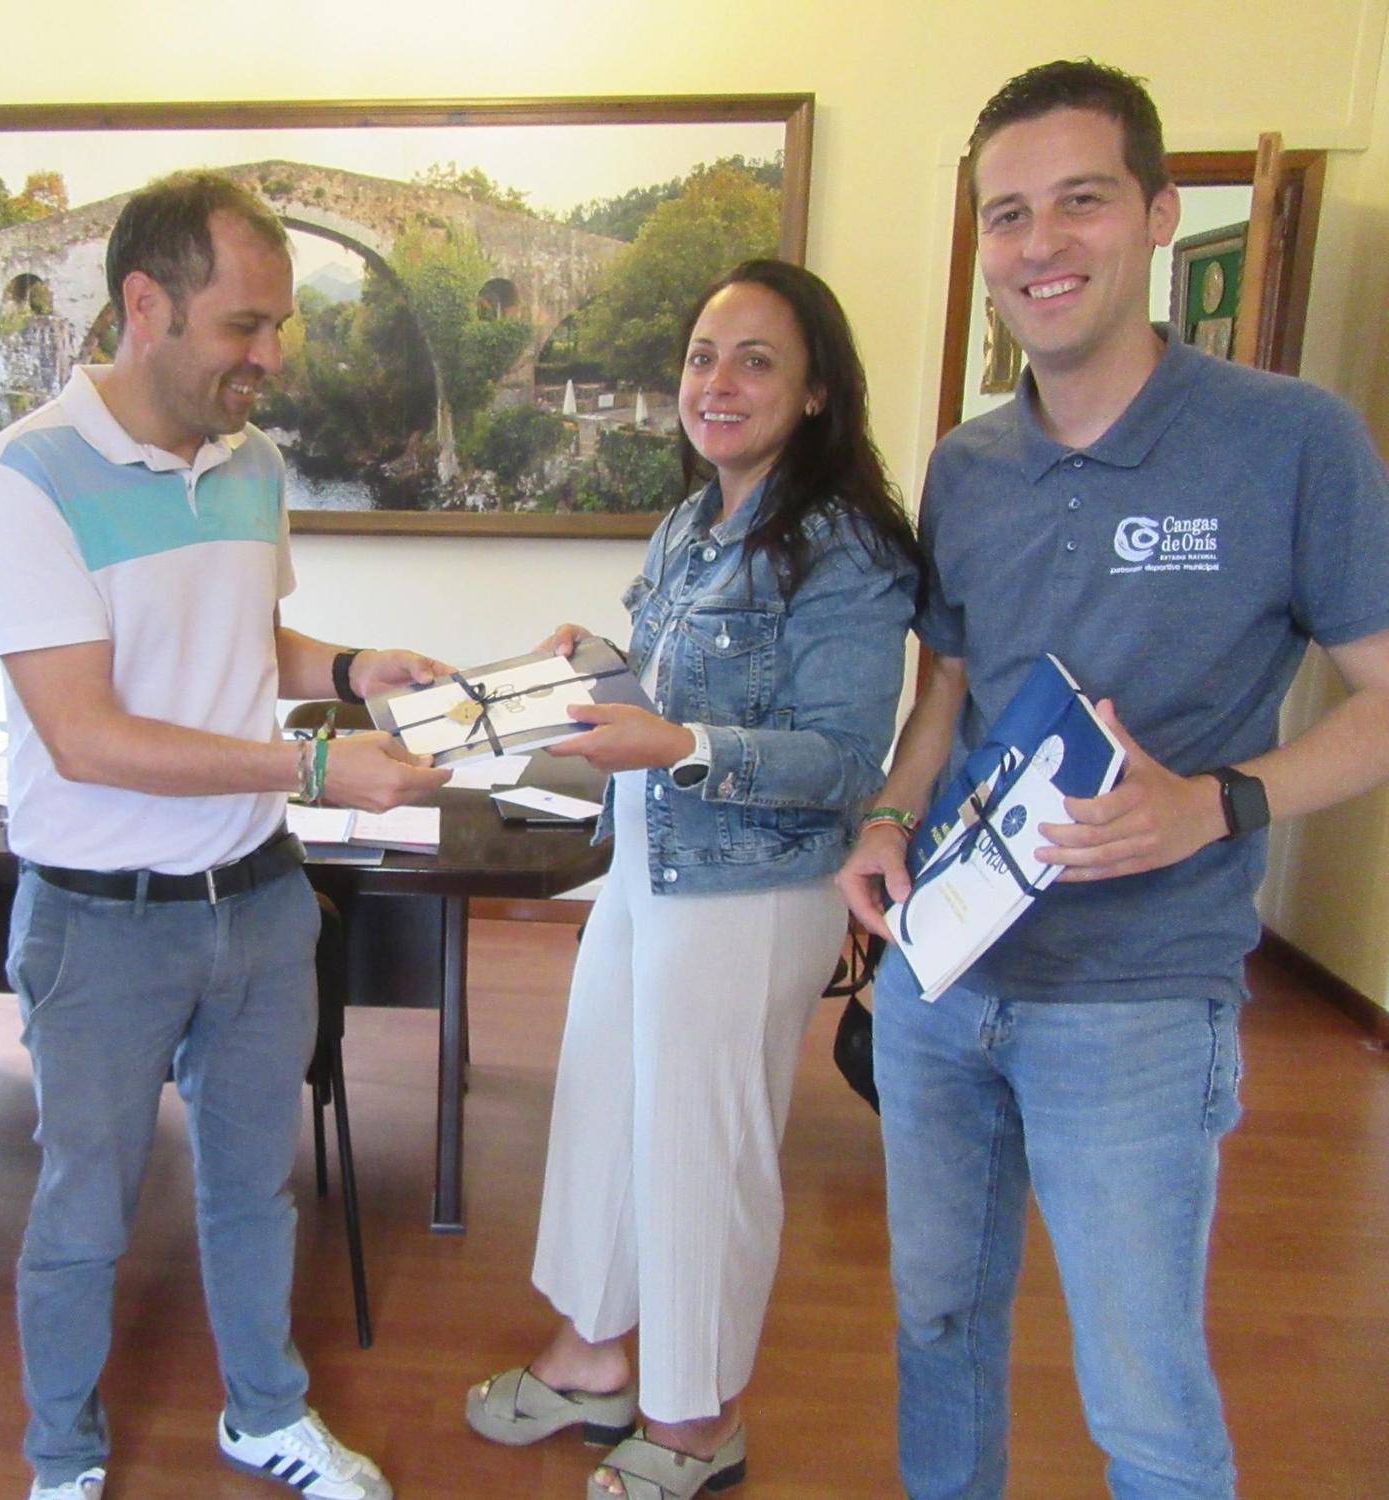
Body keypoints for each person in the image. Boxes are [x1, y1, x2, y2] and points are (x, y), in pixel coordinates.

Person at [837, 60, 1389, 1500]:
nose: (1041, 244)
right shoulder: (968, 461)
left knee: (1141, 1391)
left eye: (1081, 200)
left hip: (1144, 998)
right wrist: (891, 817)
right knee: (937, 1326)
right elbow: (947, 685)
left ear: (1158, 214)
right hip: (943, 978)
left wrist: (1220, 801)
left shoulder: (1292, 441)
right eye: (1009, 214)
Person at [0, 169, 451, 1500]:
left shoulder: (255, 464)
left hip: (260, 903)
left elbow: (246, 640)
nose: (270, 356)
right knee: (82, 1212)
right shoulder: (24, 479)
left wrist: (350, 668)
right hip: (99, 922)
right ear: (144, 304)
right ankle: (60, 1458)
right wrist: (310, 763)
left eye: (277, 325)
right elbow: (89, 733)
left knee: (256, 1190)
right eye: (246, 325)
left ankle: (263, 1412)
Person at [465, 260, 921, 1500]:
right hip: (650, 870)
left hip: (749, 890)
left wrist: (677, 745)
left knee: (701, 1149)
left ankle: (695, 1417)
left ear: (817, 389)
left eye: (755, 359)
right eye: (700, 357)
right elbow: (672, 694)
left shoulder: (849, 547)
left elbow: (838, 762)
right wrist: (603, 664)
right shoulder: (689, 520)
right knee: (606, 1109)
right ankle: (591, 1358)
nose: (716, 384)